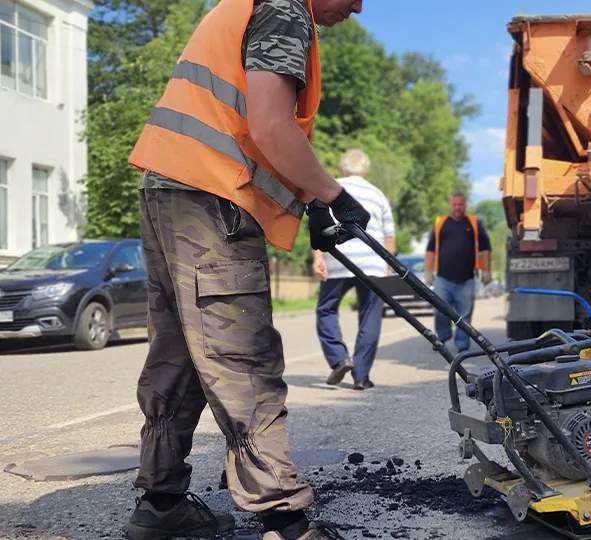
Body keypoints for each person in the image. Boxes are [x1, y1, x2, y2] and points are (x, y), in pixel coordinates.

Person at [124, 1, 368, 540]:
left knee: (181, 352)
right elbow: (271, 125)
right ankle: (283, 518)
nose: (358, 5)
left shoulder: (252, 4)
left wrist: (312, 199)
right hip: (211, 196)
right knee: (243, 355)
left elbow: (253, 126)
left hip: (170, 189)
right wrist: (333, 193)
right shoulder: (285, 9)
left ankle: (161, 505)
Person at [312, 149, 395, 390]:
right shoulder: (378, 194)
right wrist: (387, 266)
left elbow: (321, 226)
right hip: (373, 262)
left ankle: (339, 358)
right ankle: (361, 376)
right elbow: (388, 237)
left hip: (339, 257)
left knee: (326, 309)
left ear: (342, 169)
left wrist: (319, 257)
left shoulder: (331, 186)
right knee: (370, 316)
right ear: (366, 170)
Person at [423, 193, 492, 353]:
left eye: (460, 205)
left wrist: (486, 270)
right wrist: (428, 271)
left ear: (465, 205)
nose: (457, 208)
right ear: (449, 205)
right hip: (443, 278)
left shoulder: (474, 224)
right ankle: (442, 336)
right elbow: (430, 249)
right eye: (454, 204)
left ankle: (462, 345)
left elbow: (485, 248)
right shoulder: (441, 224)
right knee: (440, 309)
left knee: (464, 315)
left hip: (466, 278)